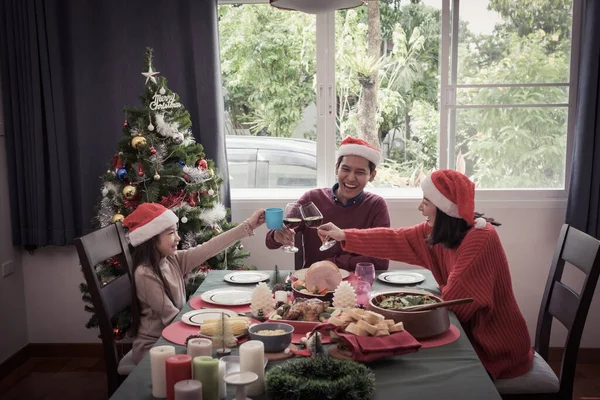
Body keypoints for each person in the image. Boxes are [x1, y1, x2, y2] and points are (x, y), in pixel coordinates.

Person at [317, 170, 534, 380]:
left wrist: (385, 319)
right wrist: (343, 234)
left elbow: (454, 305)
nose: (420, 208)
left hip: (493, 348)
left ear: (445, 210)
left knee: (411, 371)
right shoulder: (441, 232)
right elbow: (396, 239)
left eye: (426, 202)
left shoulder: (480, 239)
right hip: (471, 335)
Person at [124, 203, 265, 364]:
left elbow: (208, 248)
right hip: (155, 348)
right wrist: (217, 330)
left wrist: (248, 225)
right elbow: (172, 318)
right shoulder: (145, 274)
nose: (178, 237)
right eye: (171, 233)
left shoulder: (171, 259)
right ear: (151, 239)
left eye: (176, 231)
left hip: (174, 337)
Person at [265, 137, 391, 271]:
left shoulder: (376, 205)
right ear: (337, 168)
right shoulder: (312, 199)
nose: (351, 178)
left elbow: (381, 262)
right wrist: (276, 235)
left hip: (358, 284)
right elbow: (270, 242)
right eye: (346, 169)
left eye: (360, 172)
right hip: (314, 286)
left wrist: (332, 263)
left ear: (372, 175)